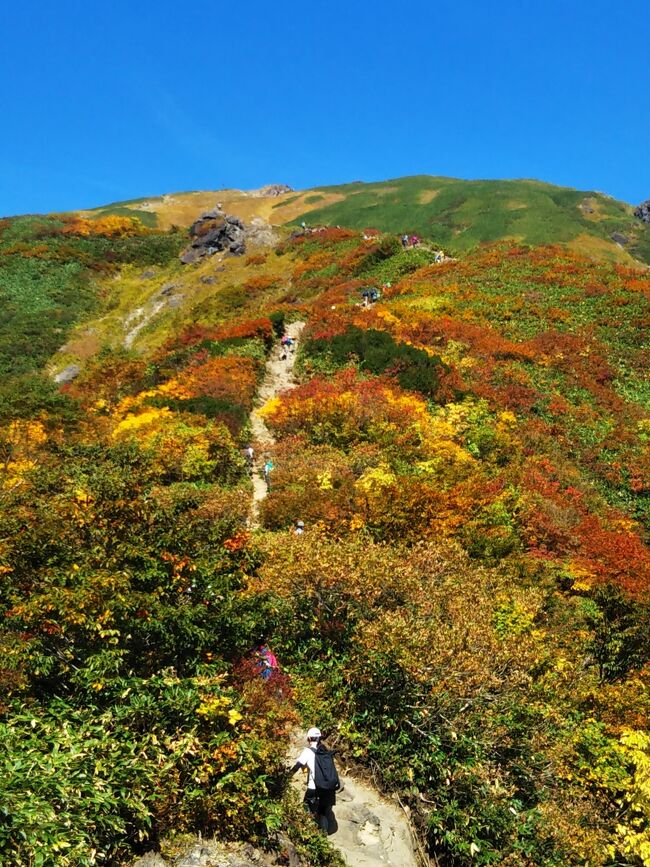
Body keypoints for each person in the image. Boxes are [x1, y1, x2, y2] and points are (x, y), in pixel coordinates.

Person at [289, 728, 339, 832]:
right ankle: (323, 833)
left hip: (314, 788)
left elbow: (297, 766)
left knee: (305, 808)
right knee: (323, 811)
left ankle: (308, 833)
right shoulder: (325, 751)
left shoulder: (308, 752)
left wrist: (286, 778)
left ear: (309, 739)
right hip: (327, 789)